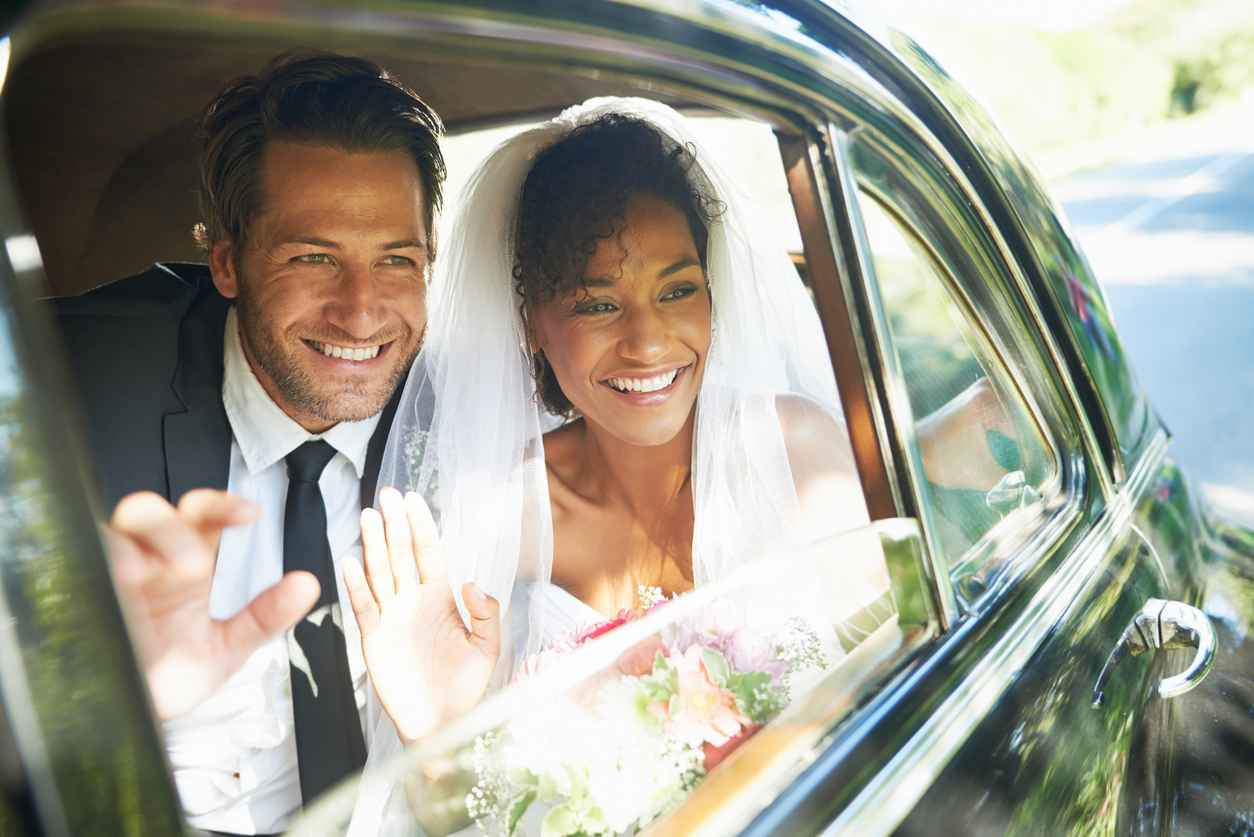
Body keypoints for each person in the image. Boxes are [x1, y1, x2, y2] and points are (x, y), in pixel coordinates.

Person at [341, 97, 873, 834]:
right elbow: (455, 815)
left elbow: (893, 693)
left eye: (678, 290)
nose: (648, 342)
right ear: (532, 325)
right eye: (597, 305)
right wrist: (434, 738)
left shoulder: (797, 455)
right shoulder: (502, 514)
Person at [51, 51, 483, 836]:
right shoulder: (69, 394)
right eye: (313, 257)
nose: (361, 313)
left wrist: (443, 738)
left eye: (396, 260)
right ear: (226, 262)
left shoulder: (468, 418)